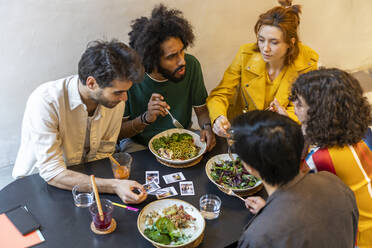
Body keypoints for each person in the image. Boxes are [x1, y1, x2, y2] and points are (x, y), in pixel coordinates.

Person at [12, 40, 147, 204]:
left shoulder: (116, 103)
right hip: (38, 182)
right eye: (118, 92)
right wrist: (113, 186)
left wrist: (111, 185)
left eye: (126, 91)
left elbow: (104, 152)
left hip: (86, 178)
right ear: (91, 83)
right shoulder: (46, 101)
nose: (124, 98)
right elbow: (52, 173)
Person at [232, 111, 358, 248]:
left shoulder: (258, 237)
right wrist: (270, 210)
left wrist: (270, 217)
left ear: (249, 167)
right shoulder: (335, 184)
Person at [207, 0, 318, 137]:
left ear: (291, 42)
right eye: (261, 40)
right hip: (242, 132)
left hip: (279, 134)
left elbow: (306, 107)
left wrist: (285, 116)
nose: (265, 48)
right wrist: (218, 117)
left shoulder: (307, 62)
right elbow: (220, 94)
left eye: (274, 42)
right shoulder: (245, 55)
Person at [289, 68, 372, 248]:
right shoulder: (360, 137)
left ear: (320, 113)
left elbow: (293, 195)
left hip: (358, 238)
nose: (293, 105)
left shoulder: (321, 159)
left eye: (300, 104)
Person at [118, 4, 216, 152]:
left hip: (181, 137)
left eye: (182, 51)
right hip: (139, 145)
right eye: (171, 57)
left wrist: (207, 128)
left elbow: (201, 112)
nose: (182, 61)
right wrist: (146, 118)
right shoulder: (129, 76)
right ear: (152, 59)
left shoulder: (191, 65)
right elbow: (119, 133)